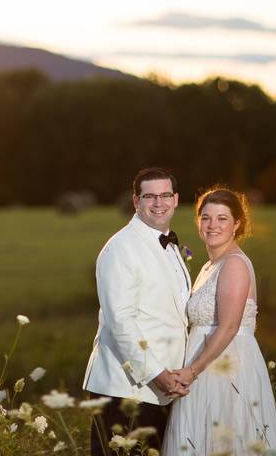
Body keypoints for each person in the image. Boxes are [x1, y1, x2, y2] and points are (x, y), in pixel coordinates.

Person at [162, 187, 276, 455]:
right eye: (206, 217)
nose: (212, 225)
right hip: (202, 368)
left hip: (226, 370)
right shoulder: (208, 267)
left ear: (237, 224)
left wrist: (192, 371)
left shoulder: (235, 264)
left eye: (222, 218)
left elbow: (229, 326)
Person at [83, 167, 192, 454]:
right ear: (136, 201)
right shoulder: (121, 248)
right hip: (126, 390)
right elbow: (121, 322)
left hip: (162, 391)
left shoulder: (169, 245)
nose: (159, 203)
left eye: (165, 195)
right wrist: (158, 374)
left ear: (176, 199)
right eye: (150, 196)